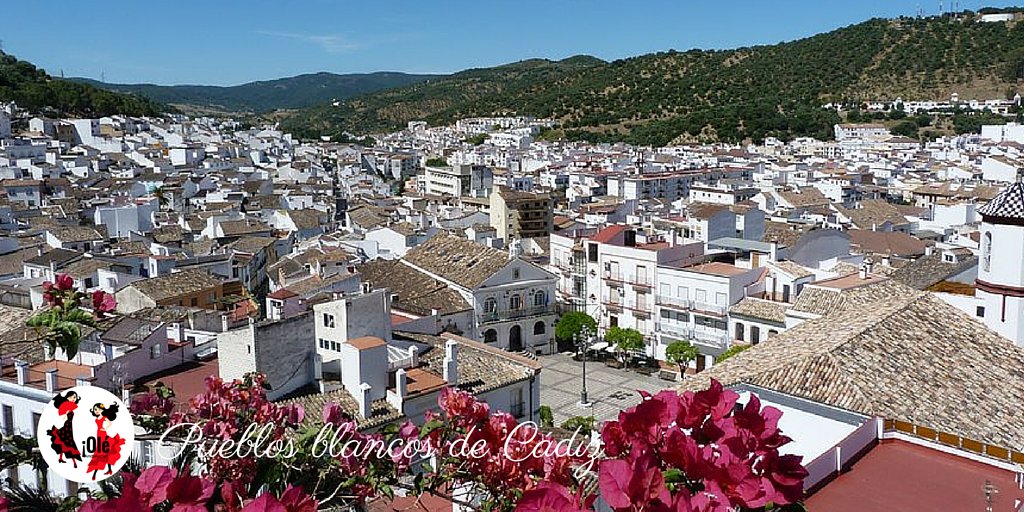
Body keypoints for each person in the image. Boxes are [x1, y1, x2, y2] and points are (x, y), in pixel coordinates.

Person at [86, 403, 125, 480]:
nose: (97, 411)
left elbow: (110, 423)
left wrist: (105, 428)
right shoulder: (97, 418)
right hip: (99, 435)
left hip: (103, 435)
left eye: (99, 409)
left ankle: (95, 474)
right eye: (95, 409)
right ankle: (109, 470)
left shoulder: (103, 417)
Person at [47, 391, 82, 468]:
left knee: (64, 443)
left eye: (75, 397)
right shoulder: (66, 407)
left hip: (69, 427)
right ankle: (74, 462)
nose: (74, 399)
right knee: (69, 444)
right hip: (66, 427)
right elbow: (63, 417)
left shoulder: (70, 406)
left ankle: (61, 458)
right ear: (68, 397)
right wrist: (66, 414)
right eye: (73, 397)